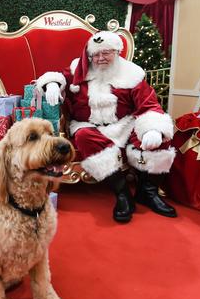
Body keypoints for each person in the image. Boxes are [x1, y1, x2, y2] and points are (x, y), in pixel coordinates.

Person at [36, 30, 177, 223]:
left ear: (117, 51)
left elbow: (149, 105)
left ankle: (148, 192)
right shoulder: (79, 69)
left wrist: (153, 129)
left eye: (106, 53)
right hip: (89, 126)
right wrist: (51, 84)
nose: (100, 58)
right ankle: (122, 193)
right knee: (84, 136)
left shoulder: (132, 75)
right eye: (95, 54)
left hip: (124, 125)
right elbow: (58, 77)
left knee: (160, 135)